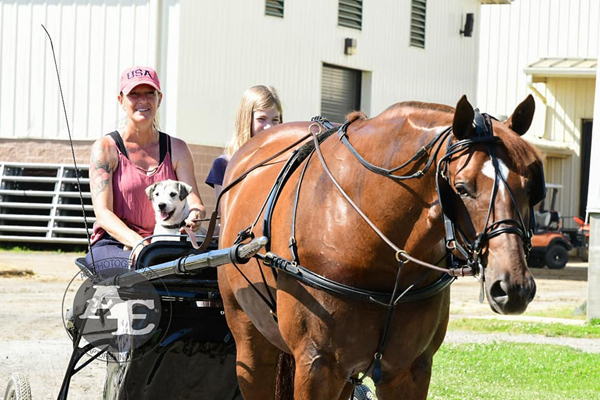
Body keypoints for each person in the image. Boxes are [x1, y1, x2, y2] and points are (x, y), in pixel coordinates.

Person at [85, 66, 206, 270]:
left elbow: (193, 200)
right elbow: (103, 212)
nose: (143, 99)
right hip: (116, 243)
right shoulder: (106, 148)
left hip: (166, 241)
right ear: (121, 100)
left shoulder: (177, 148)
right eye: (134, 93)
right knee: (147, 268)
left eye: (150, 92)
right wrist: (139, 243)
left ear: (159, 98)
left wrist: (196, 215)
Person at [205, 84, 283, 204]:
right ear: (246, 119)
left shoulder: (285, 162)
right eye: (261, 119)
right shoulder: (224, 164)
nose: (269, 127)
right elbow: (224, 214)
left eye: (275, 120)